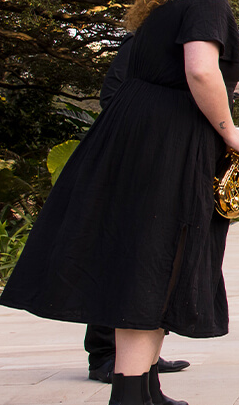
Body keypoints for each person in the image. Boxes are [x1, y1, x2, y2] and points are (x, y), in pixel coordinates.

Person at [1, 0, 239, 405]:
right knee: (159, 262)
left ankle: (140, 388)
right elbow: (201, 70)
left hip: (134, 134)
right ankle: (129, 396)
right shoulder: (208, 2)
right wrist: (232, 133)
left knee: (142, 262)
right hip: (171, 142)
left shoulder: (165, 5)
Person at [82, 38, 190, 386]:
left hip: (164, 164)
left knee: (153, 265)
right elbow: (111, 97)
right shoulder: (140, 45)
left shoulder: (172, 49)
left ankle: (147, 358)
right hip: (133, 164)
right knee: (119, 262)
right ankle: (102, 356)